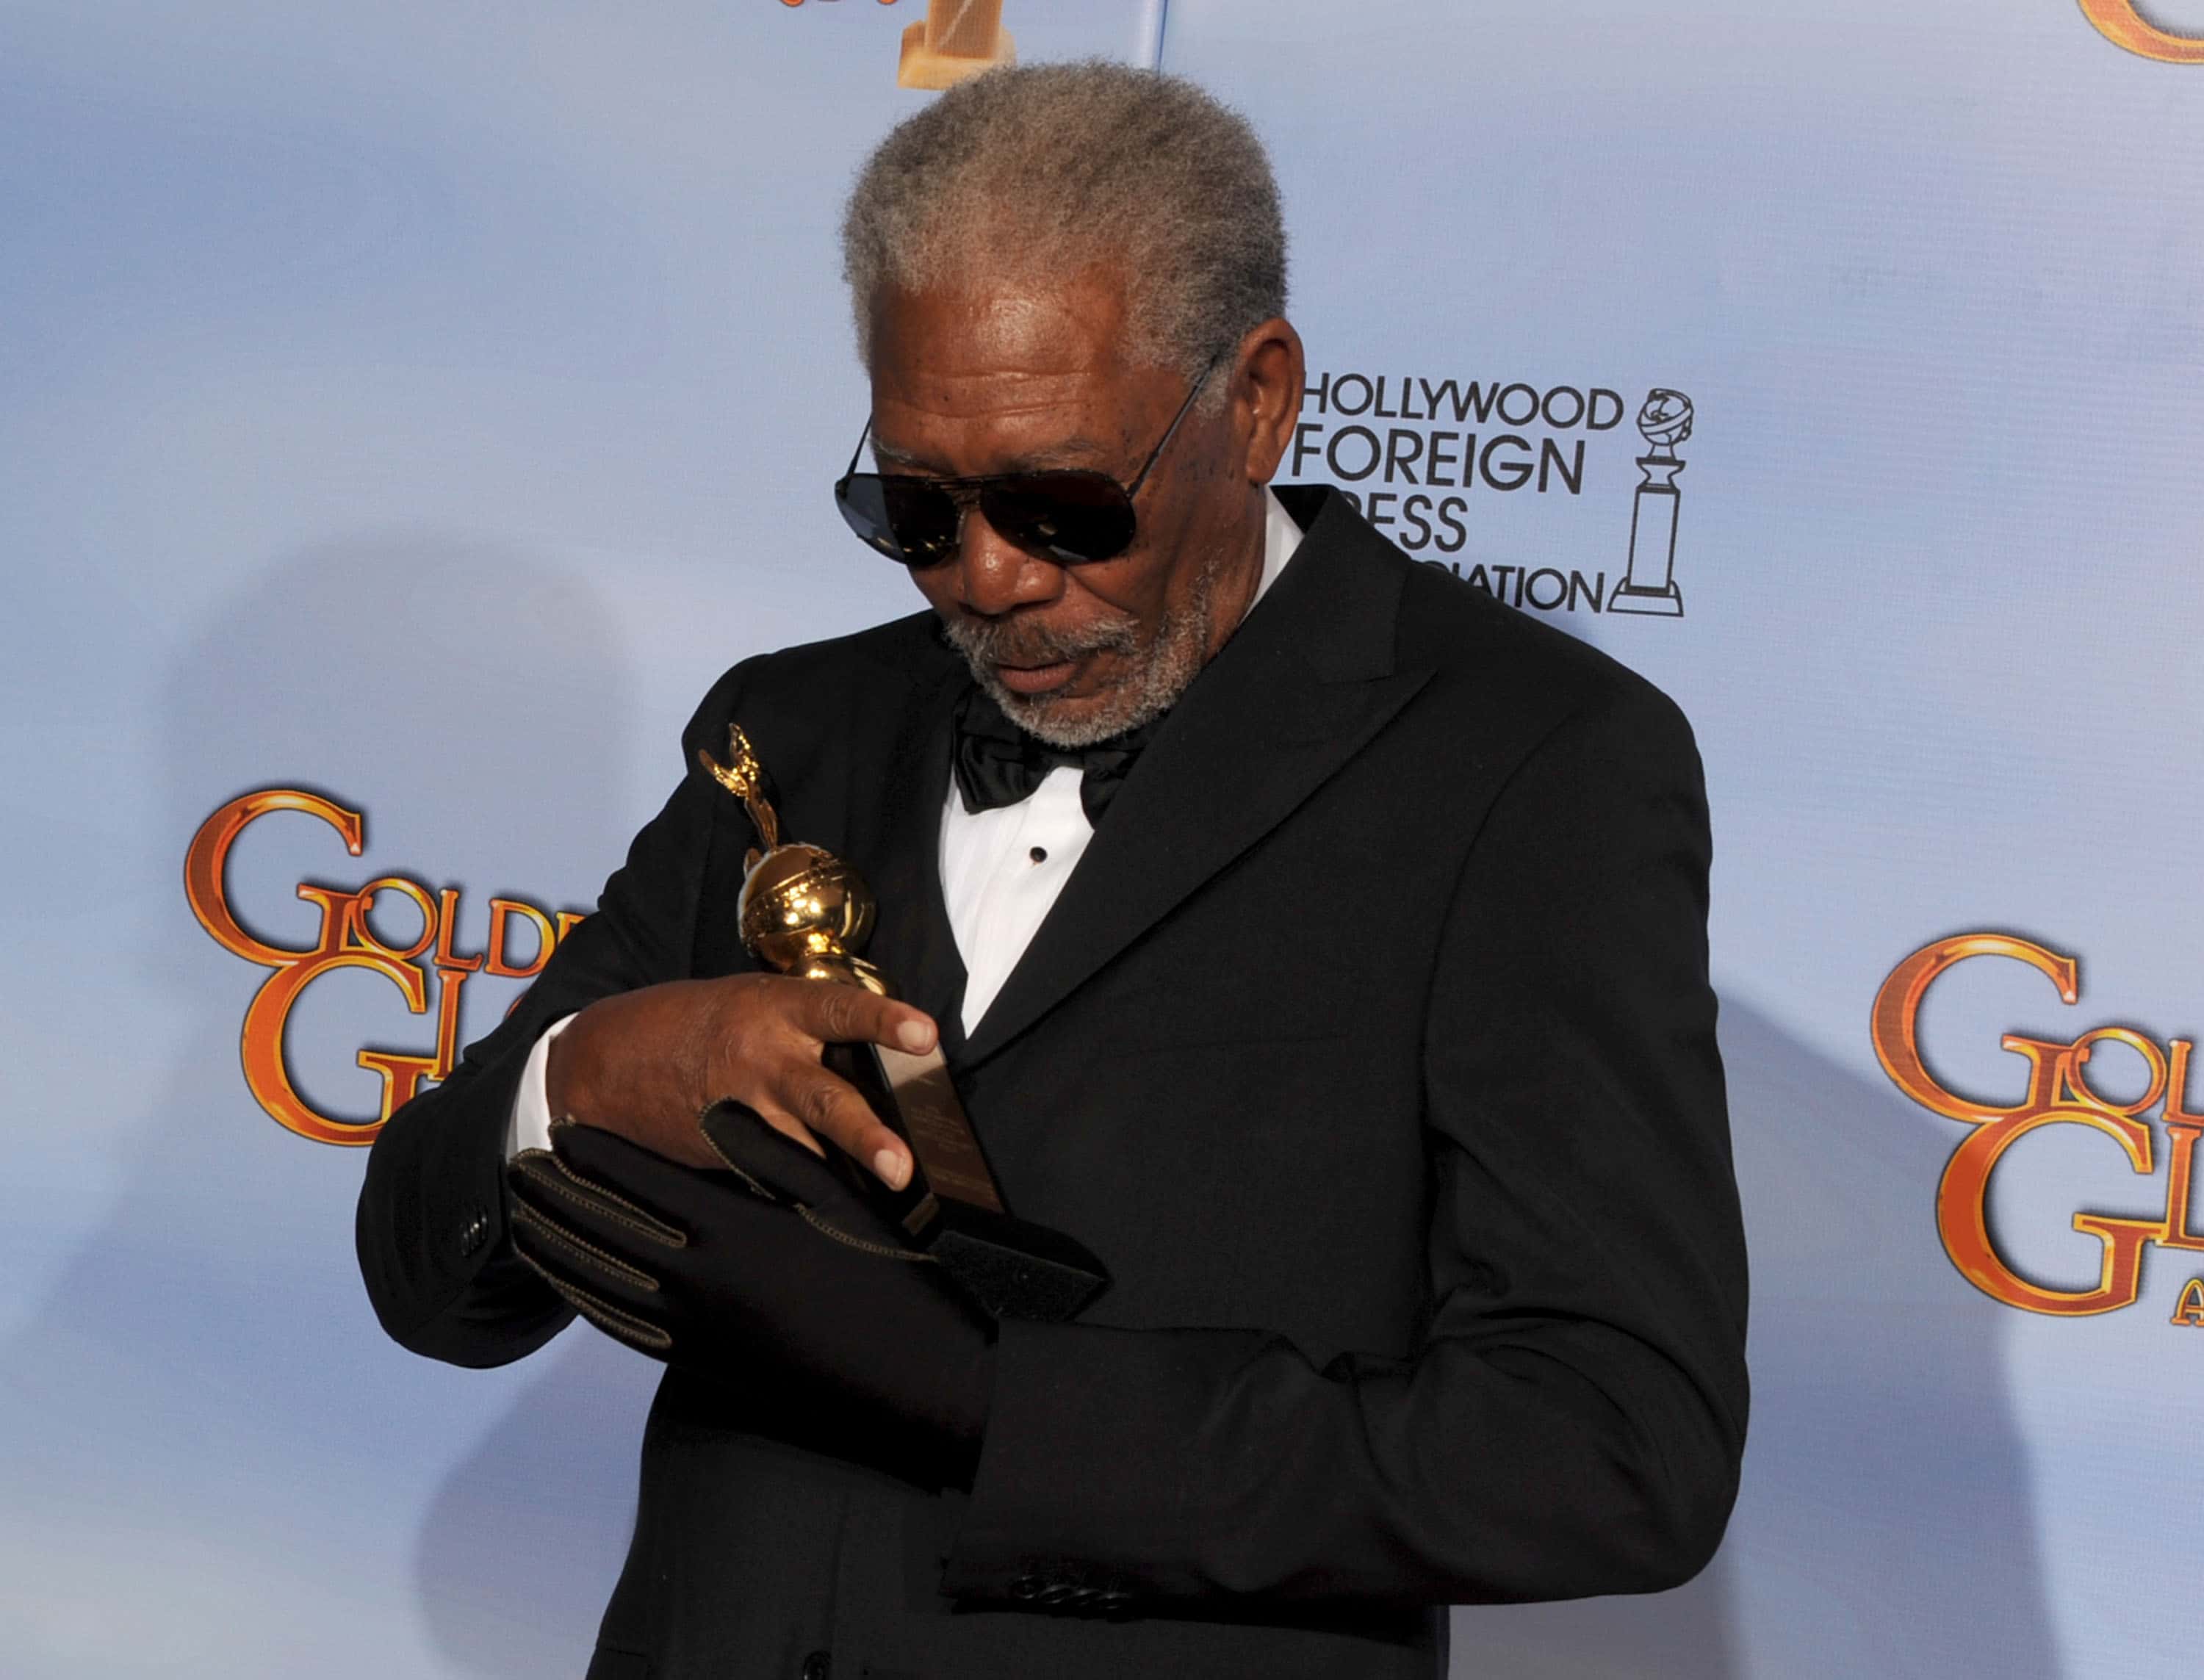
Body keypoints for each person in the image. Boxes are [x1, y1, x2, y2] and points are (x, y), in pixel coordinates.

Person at [356, 62, 1748, 1680]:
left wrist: (990, 1403)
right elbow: (429, 1284)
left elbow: (1613, 1450)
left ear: (1258, 397)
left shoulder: (1534, 761)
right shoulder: (787, 730)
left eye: (1061, 500)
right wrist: (583, 1076)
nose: (992, 579)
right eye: (917, 510)